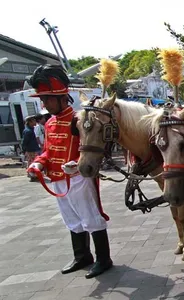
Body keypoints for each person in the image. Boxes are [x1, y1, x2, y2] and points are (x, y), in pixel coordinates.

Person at [26, 64, 113, 279]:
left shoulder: (79, 120)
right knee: (72, 220)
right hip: (57, 179)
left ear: (62, 97)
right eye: (43, 99)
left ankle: (104, 259)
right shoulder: (49, 123)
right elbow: (47, 151)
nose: (43, 103)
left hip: (78, 178)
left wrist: (75, 163)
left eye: (47, 98)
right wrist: (38, 163)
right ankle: (82, 256)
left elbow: (90, 149)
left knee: (91, 218)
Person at [21, 115, 41, 181]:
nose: (35, 122)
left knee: (32, 162)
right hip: (31, 149)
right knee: (33, 162)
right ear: (30, 122)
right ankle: (32, 175)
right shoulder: (28, 131)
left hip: (33, 148)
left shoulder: (31, 130)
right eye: (34, 121)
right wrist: (24, 150)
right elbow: (24, 141)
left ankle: (32, 174)